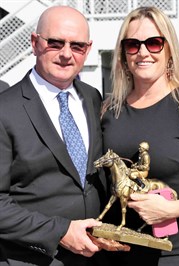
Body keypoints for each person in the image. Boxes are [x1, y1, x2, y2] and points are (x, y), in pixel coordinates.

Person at [101, 6, 179, 266]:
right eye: (133, 44)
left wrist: (172, 209)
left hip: (175, 253)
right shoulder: (108, 109)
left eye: (154, 43)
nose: (143, 52)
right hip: (114, 252)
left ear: (169, 49)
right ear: (123, 53)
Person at [0, 6, 109, 266]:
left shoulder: (92, 98)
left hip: (95, 257)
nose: (66, 54)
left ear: (88, 48)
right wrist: (59, 231)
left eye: (77, 46)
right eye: (55, 43)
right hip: (30, 259)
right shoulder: (5, 110)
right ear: (35, 43)